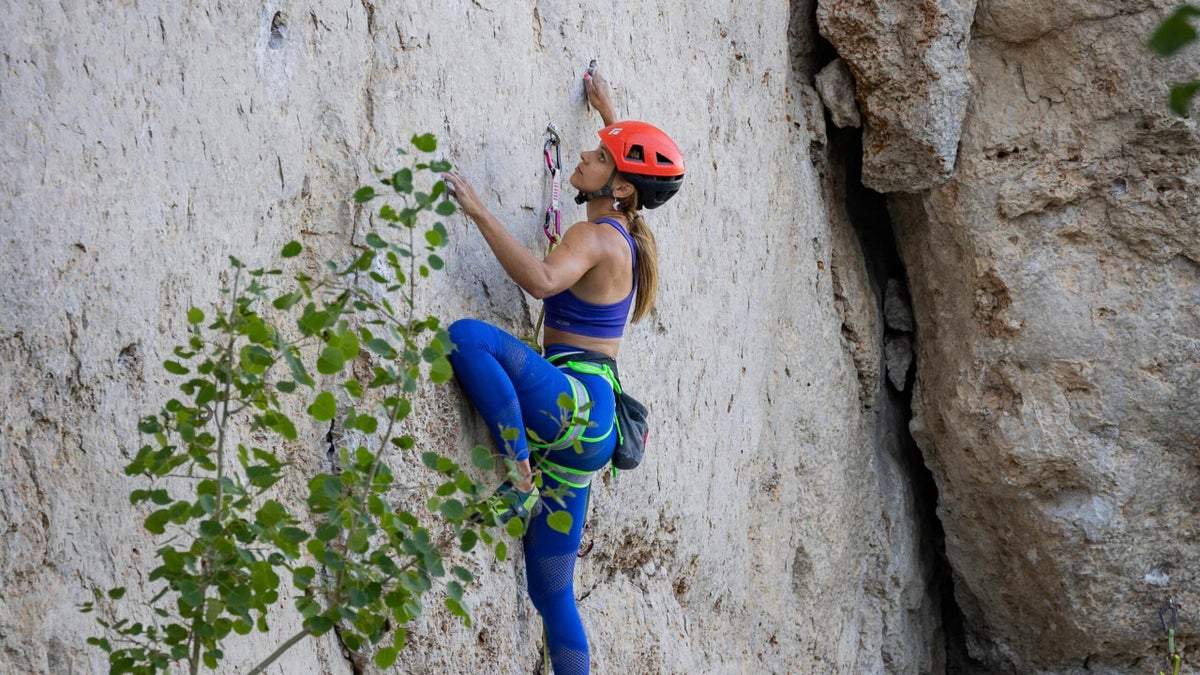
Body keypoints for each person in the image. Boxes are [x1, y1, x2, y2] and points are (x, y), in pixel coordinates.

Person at [441, 68, 684, 674]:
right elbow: (630, 168)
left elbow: (544, 280)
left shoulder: (594, 235)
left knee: (467, 340)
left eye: (597, 155)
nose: (584, 156)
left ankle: (519, 474)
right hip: (588, 428)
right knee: (551, 594)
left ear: (620, 186)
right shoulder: (625, 229)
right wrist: (609, 110)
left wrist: (477, 210)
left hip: (569, 405)